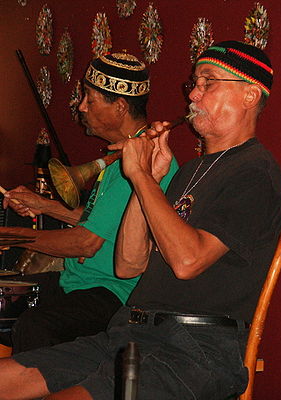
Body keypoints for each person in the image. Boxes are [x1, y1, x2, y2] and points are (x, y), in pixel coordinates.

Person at [0, 41, 281, 400]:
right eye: (193, 83)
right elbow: (128, 263)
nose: (193, 95)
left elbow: (187, 261)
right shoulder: (192, 171)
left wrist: (142, 179)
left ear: (249, 94)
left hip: (193, 351)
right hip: (131, 335)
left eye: (208, 82)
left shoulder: (255, 173)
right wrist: (144, 180)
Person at [0, 52, 178, 354]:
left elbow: (87, 243)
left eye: (90, 99)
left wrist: (12, 237)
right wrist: (44, 206)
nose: (81, 106)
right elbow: (99, 221)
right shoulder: (120, 155)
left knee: (34, 326)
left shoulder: (142, 161)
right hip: (79, 282)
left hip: (114, 294)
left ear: (119, 106)